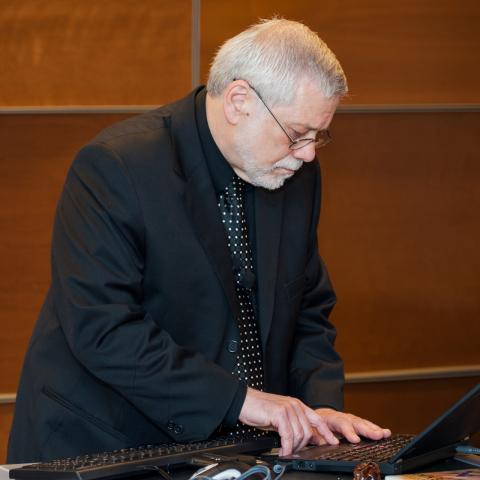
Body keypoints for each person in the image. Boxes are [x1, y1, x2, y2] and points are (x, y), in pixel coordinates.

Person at [8, 18, 390, 463]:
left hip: (228, 450)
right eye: (297, 134)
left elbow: (306, 305)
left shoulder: (296, 172)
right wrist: (243, 401)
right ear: (239, 101)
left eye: (319, 136)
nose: (307, 153)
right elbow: (104, 328)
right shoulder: (117, 167)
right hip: (100, 442)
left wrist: (319, 407)